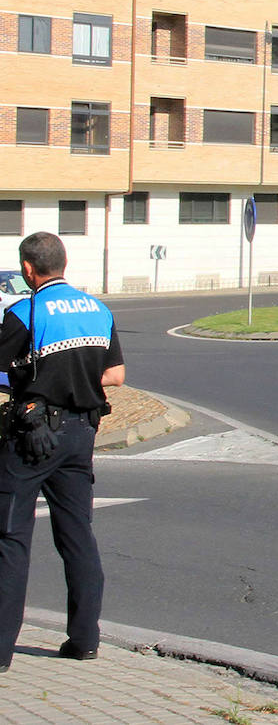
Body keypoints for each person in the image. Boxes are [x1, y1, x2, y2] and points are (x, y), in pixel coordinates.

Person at [0, 232, 124, 672]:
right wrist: (79, 379)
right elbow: (116, 375)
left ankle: (1, 652)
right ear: (63, 263)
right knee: (78, 536)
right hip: (81, 436)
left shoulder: (25, 311)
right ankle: (85, 640)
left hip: (33, 437)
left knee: (11, 539)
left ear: (28, 270)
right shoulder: (98, 309)